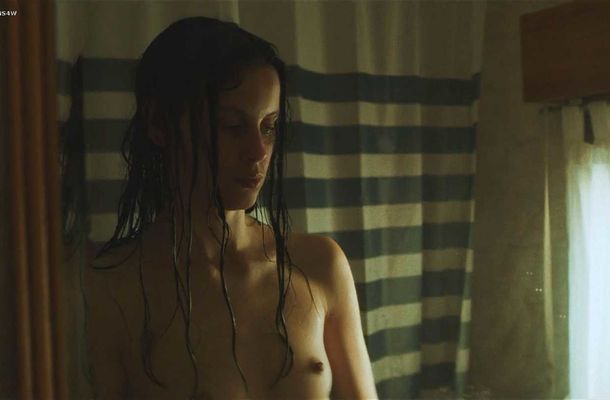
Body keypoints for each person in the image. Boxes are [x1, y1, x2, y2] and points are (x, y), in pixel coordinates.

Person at [84, 16, 378, 400]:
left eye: (268, 126)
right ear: (159, 124)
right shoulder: (114, 289)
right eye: (232, 127)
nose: (258, 152)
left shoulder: (319, 265)